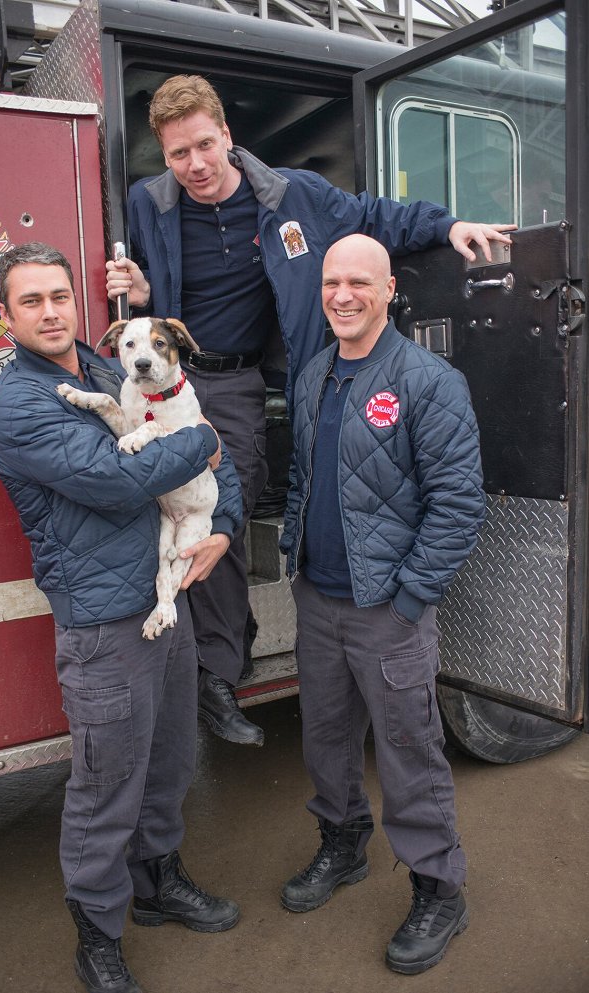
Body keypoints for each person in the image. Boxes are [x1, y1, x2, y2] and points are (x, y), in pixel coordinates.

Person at [105, 74, 511, 749]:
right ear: (164, 157)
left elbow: (375, 216)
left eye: (205, 146)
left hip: (261, 376)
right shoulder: (147, 204)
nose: (196, 166)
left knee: (262, 499)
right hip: (175, 379)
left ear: (227, 137)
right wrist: (139, 286)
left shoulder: (291, 194)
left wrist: (448, 224)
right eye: (179, 155)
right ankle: (220, 669)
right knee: (192, 512)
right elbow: (141, 295)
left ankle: (290, 641)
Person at [0, 242, 243, 993]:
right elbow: (116, 480)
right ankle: (97, 933)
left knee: (168, 758)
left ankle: (159, 881)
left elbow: (193, 473)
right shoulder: (17, 404)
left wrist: (222, 525)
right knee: (106, 783)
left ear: (78, 302)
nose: (50, 310)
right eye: (31, 300)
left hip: (163, 596)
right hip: (101, 620)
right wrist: (206, 438)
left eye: (59, 295)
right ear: (7, 316)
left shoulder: (104, 369)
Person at [279, 234, 486, 975]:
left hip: (386, 610)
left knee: (409, 751)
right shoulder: (312, 377)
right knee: (325, 738)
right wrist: (293, 561)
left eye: (357, 282)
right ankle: (342, 844)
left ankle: (438, 885)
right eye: (332, 281)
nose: (341, 294)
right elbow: (302, 480)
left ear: (388, 288)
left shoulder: (428, 382)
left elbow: (457, 506)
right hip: (320, 598)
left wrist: (408, 601)